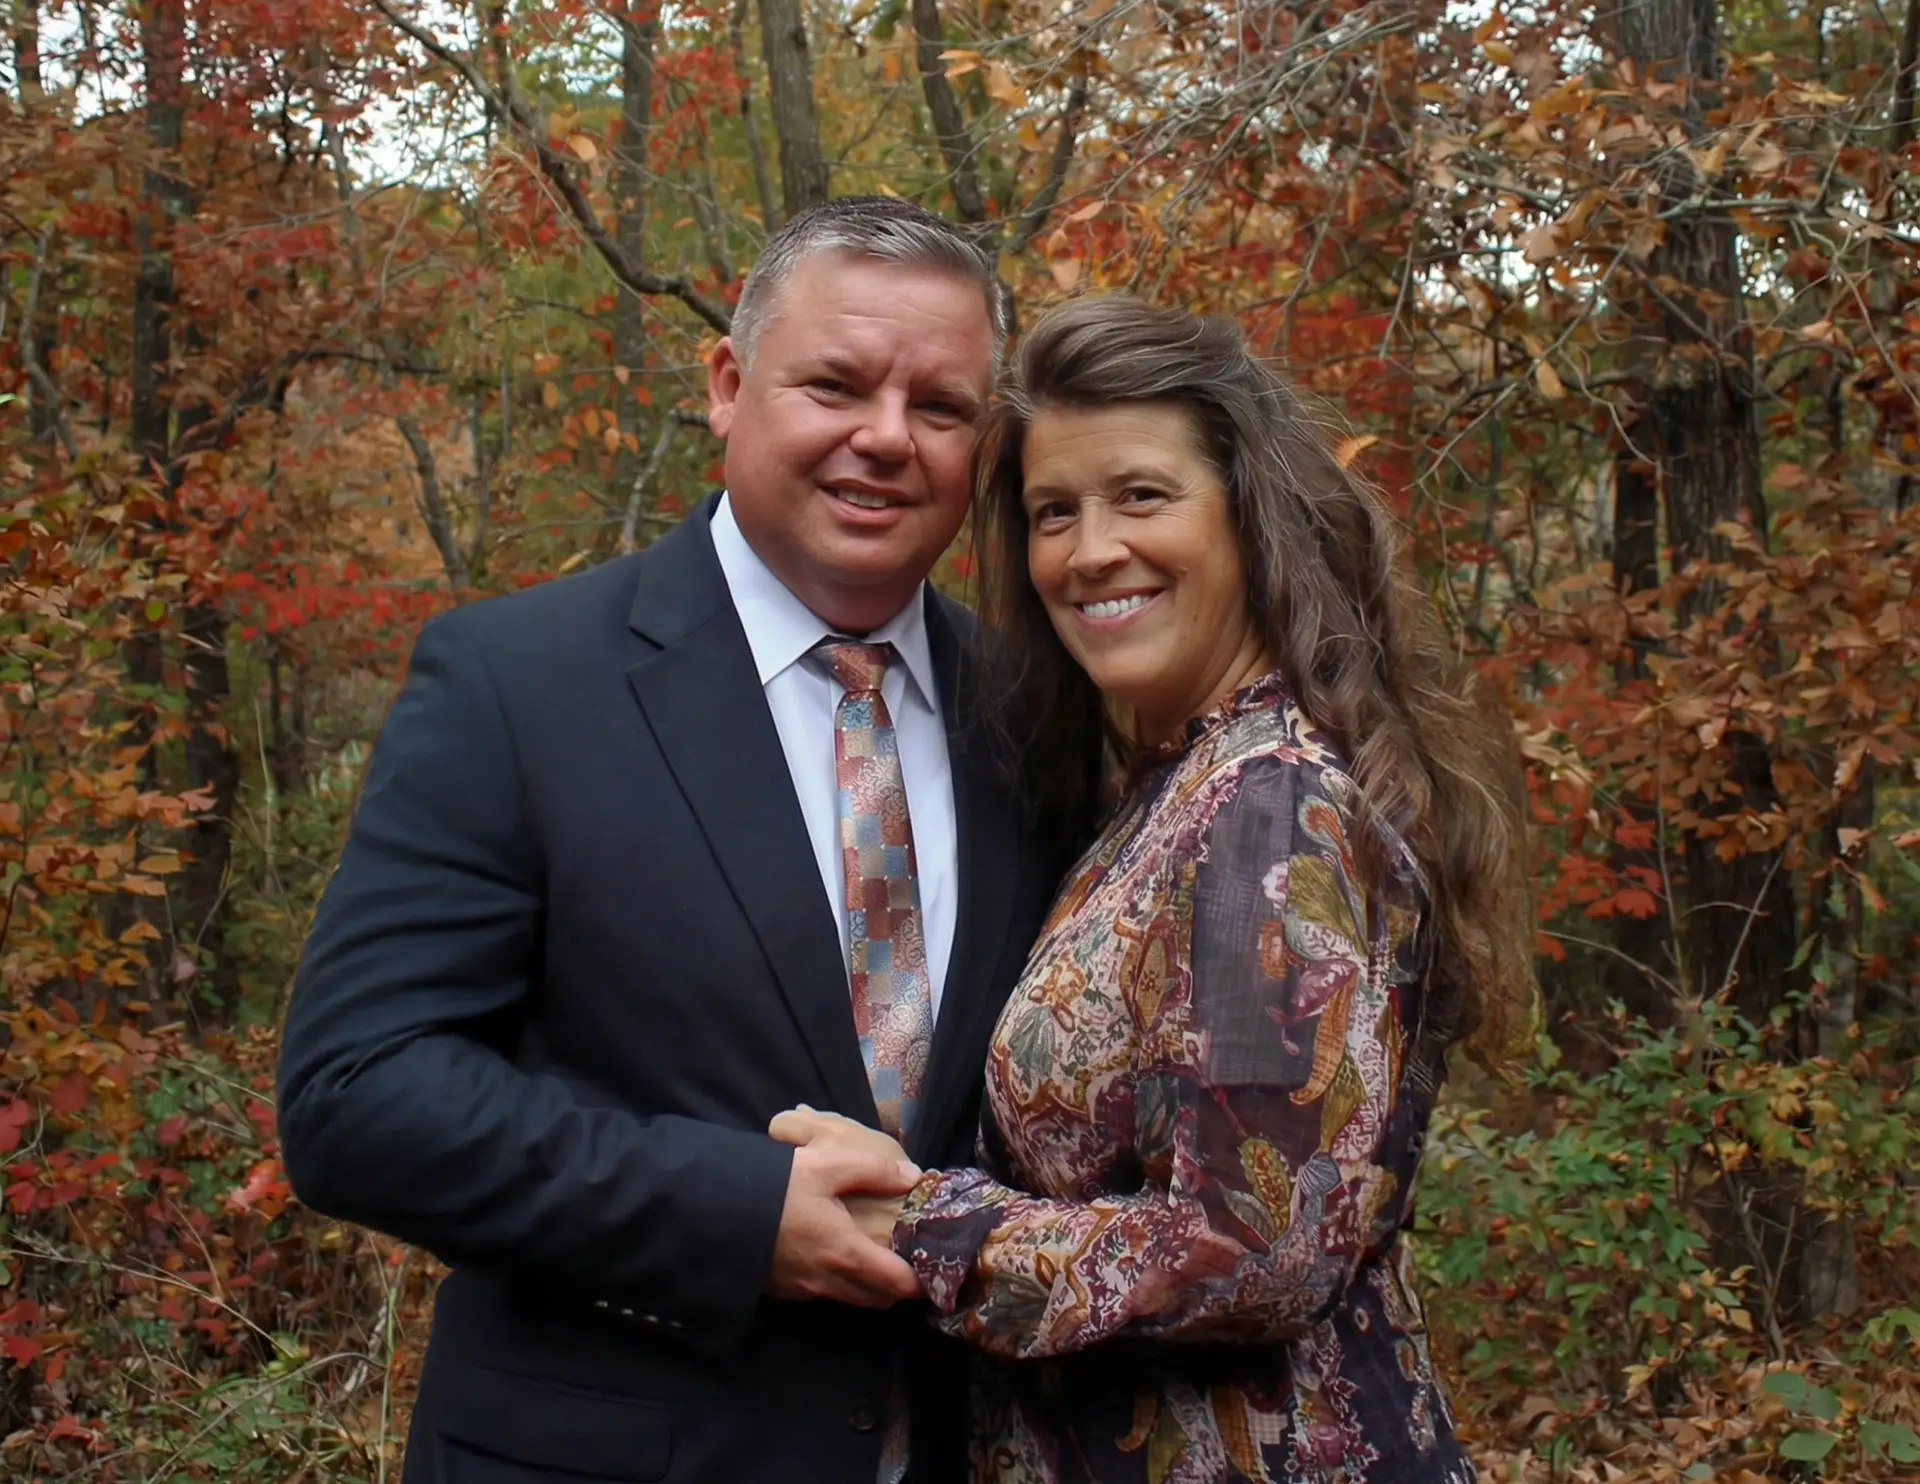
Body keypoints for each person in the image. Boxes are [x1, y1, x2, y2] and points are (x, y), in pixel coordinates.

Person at [275, 197, 1064, 1484]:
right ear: (728, 383)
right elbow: (357, 1095)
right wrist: (737, 1213)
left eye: (941, 407)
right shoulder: (516, 683)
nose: (884, 437)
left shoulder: (1038, 717)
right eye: (836, 384)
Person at [774, 295, 1539, 1483]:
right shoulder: (1173, 783)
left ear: (1249, 513)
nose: (1090, 551)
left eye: (1142, 494)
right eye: (1052, 513)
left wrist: (914, 1223)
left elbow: (1254, 1246)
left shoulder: (1268, 802)